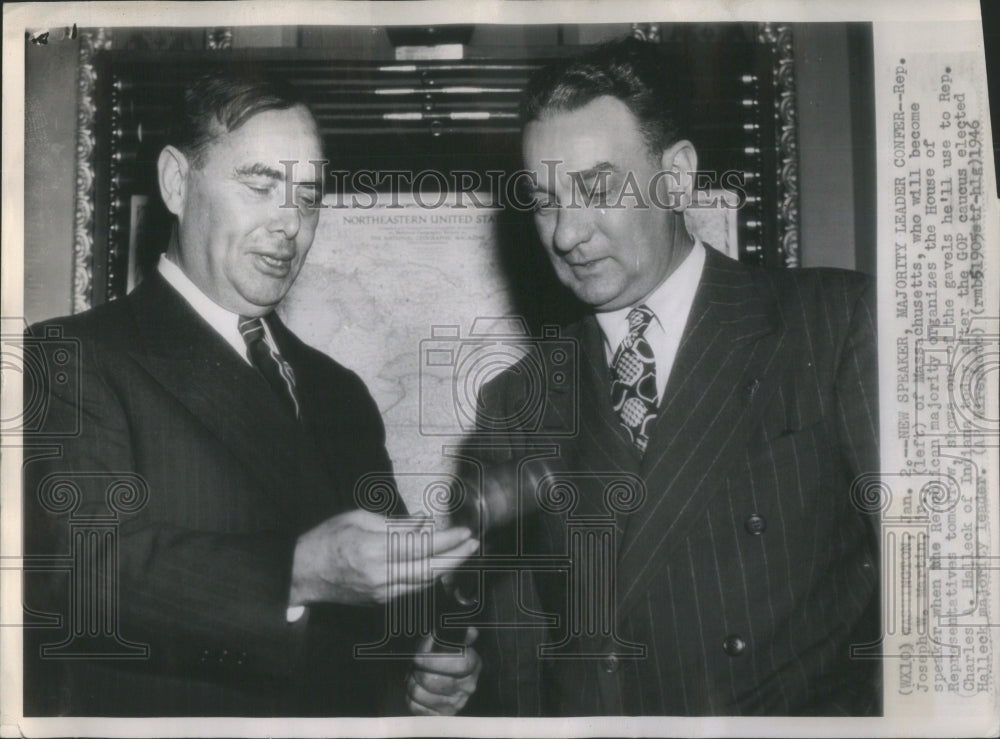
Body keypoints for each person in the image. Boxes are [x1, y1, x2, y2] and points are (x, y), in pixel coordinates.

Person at [21, 67, 479, 716]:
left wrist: (432, 654)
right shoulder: (70, 359)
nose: (290, 223)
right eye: (261, 185)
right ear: (177, 183)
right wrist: (297, 571)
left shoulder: (339, 391)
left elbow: (391, 600)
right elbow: (81, 573)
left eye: (308, 196)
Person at [469, 37, 881, 716]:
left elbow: (930, 603)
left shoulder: (832, 324)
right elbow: (519, 673)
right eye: (543, 200)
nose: (568, 233)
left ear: (679, 176)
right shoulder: (515, 401)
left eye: (597, 187)